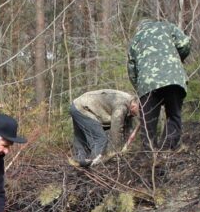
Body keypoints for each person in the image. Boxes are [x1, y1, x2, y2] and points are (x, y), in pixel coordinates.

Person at [127, 19, 191, 150]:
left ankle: (151, 158)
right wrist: (177, 59)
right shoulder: (168, 27)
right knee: (174, 116)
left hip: (147, 83)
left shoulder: (136, 38)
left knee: (148, 125)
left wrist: (139, 88)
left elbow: (131, 68)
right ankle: (166, 152)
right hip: (174, 77)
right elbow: (185, 43)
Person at [69, 90, 140, 166]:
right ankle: (94, 166)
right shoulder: (122, 105)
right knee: (100, 139)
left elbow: (127, 129)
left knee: (81, 139)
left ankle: (80, 162)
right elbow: (116, 129)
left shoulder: (128, 103)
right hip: (83, 108)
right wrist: (116, 151)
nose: (139, 113)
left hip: (76, 106)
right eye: (139, 110)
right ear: (135, 105)